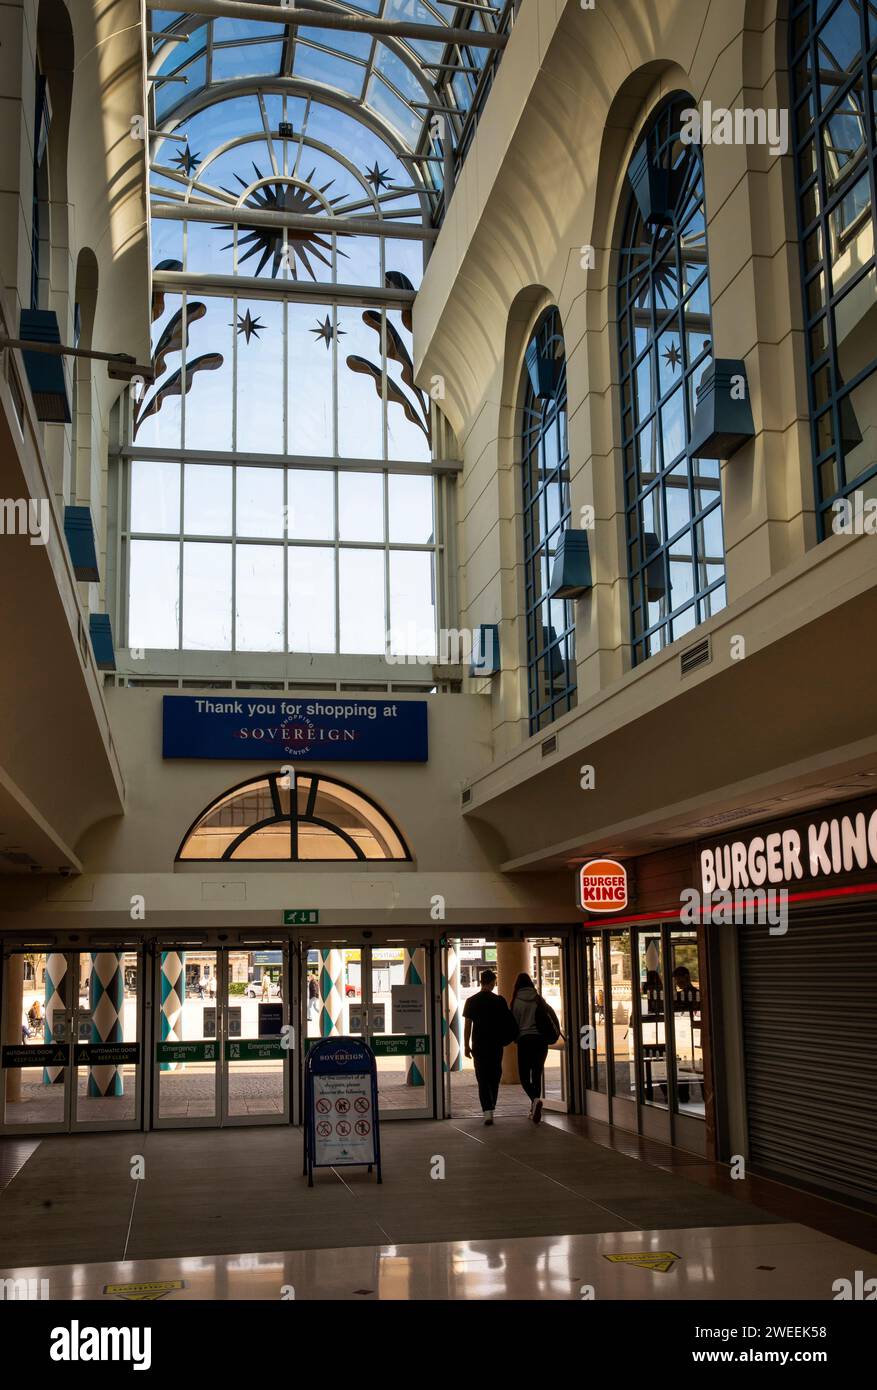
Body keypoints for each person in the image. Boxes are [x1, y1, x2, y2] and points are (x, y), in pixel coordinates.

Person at [463, 969, 516, 1126]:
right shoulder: (499, 1001)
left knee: (482, 1078)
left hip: (479, 1046)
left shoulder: (471, 1001)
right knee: (495, 1075)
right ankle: (491, 1106)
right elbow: (508, 1022)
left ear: (481, 982)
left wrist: (466, 1045)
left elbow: (467, 1026)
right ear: (493, 982)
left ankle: (487, 1111)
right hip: (496, 1045)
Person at [510, 973, 559, 1124]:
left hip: (525, 1041)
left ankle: (535, 1100)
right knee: (537, 1075)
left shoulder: (516, 1001)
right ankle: (534, 1106)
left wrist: (515, 1038)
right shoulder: (539, 999)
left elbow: (513, 1024)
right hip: (541, 1041)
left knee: (524, 1077)